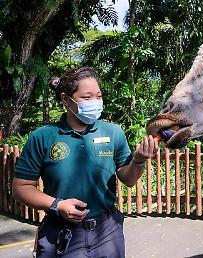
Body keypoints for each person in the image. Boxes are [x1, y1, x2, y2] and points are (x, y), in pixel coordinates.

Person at [12, 67, 158, 257]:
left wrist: (138, 161)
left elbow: (128, 179)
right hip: (61, 235)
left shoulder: (113, 132)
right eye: (87, 97)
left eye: (98, 96)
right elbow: (21, 187)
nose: (96, 102)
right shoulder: (43, 137)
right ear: (66, 100)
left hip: (107, 232)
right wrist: (57, 204)